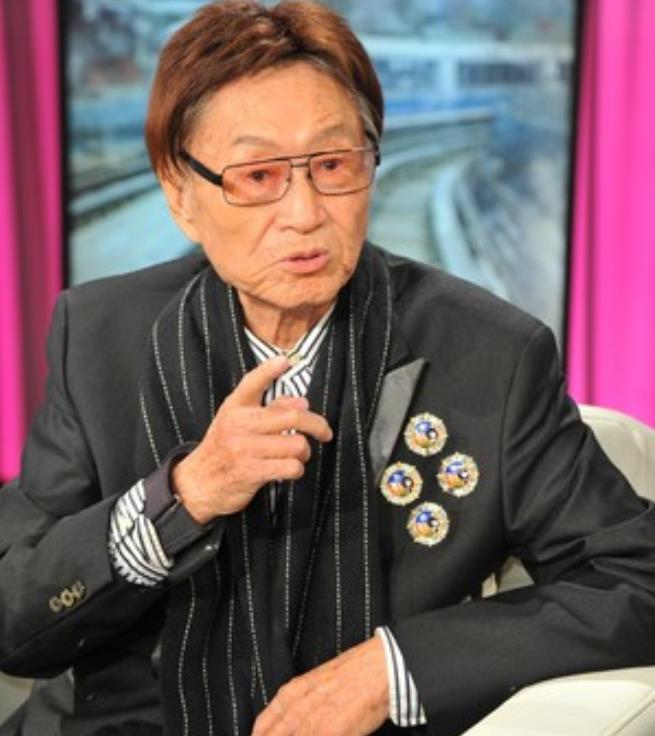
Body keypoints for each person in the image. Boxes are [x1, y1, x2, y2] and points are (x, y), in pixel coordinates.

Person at [1, 1, 655, 734]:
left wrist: (397, 668)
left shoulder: (492, 354)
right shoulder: (98, 335)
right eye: (258, 175)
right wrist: (182, 496)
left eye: (334, 164)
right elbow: (14, 615)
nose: (305, 213)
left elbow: (635, 578)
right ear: (180, 193)